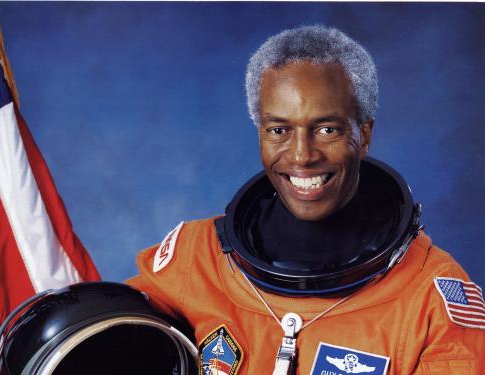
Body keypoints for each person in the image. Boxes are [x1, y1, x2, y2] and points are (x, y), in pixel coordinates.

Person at [127, 25, 484, 375]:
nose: (301, 156)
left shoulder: (433, 303)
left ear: (364, 135)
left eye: (327, 129)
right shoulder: (195, 258)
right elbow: (102, 340)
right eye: (279, 130)